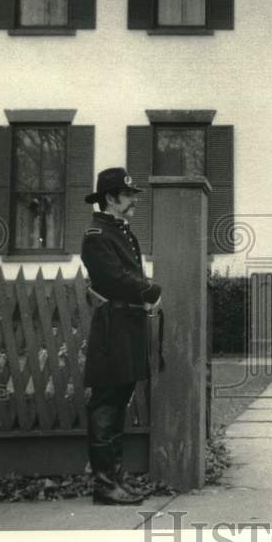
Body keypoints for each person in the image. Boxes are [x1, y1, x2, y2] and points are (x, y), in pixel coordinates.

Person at [81, 167, 162, 505]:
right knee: (106, 404)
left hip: (127, 324)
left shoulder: (120, 231)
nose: (134, 202)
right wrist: (149, 289)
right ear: (111, 198)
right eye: (129, 196)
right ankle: (104, 485)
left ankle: (114, 478)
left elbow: (128, 273)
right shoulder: (96, 234)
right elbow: (114, 278)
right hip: (112, 325)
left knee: (119, 404)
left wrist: (144, 293)